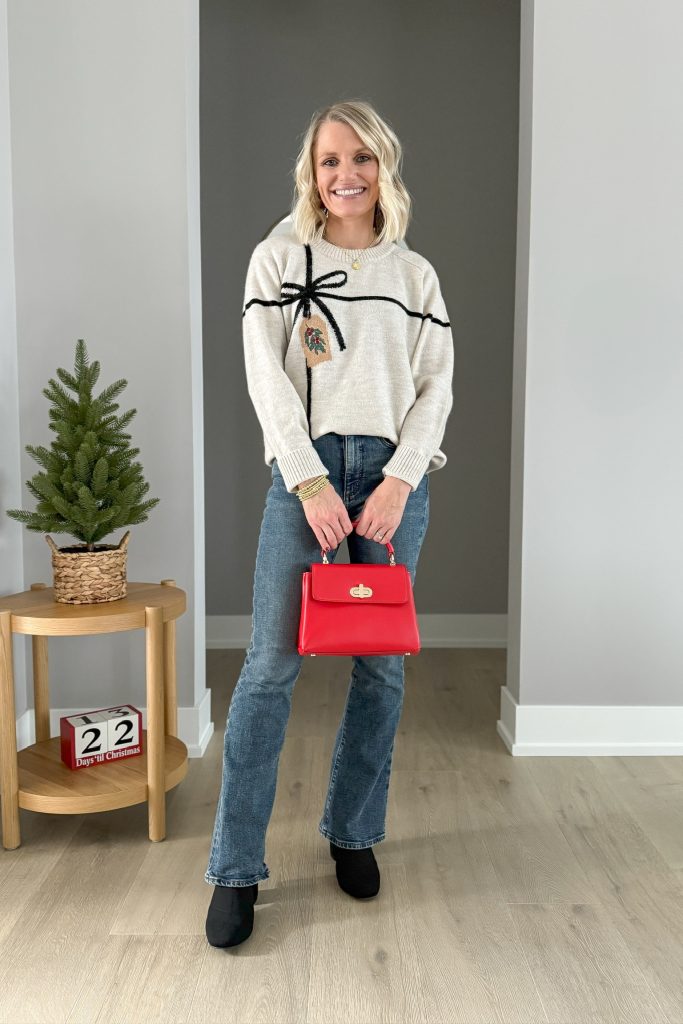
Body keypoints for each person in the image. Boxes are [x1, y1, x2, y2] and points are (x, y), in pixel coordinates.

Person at [204, 99, 454, 948]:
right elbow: (266, 378)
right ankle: (235, 870)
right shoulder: (279, 260)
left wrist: (397, 482)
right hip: (304, 477)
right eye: (327, 162)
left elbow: (435, 391)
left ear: (385, 165)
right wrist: (309, 481)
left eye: (360, 159)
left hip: (390, 483)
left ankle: (353, 834)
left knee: (380, 674)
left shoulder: (415, 276)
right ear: (310, 174)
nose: (344, 175)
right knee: (270, 668)